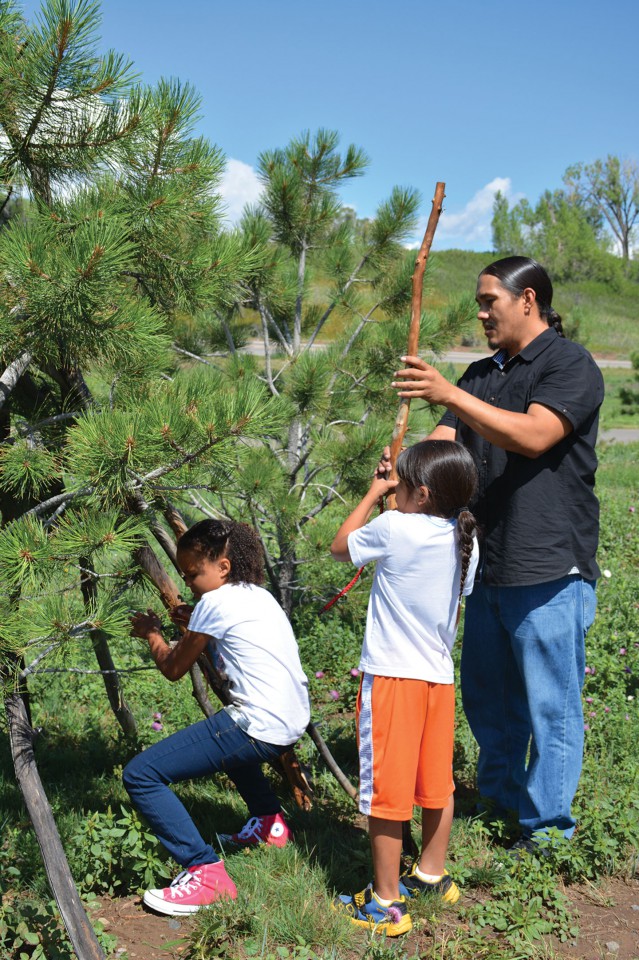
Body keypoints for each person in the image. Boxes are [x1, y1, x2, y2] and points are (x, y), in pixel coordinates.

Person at [392, 256, 603, 856]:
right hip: (485, 562)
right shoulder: (481, 374)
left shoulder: (570, 365)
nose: (481, 312)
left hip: (548, 564)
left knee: (549, 705)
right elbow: (445, 444)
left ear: (529, 300)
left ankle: (546, 833)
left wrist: (450, 392)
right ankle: (499, 800)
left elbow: (534, 435)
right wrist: (401, 470)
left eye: (490, 301)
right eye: (479, 302)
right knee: (490, 697)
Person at [124, 519, 310, 916]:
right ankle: (269, 824)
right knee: (229, 739)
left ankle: (205, 873)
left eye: (193, 574)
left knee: (141, 774)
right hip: (290, 720)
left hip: (260, 725)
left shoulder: (213, 604)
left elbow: (174, 668)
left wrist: (153, 634)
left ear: (222, 568)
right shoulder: (255, 595)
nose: (188, 582)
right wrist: (195, 624)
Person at [330, 439, 479, 936]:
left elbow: (340, 547)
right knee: (437, 785)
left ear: (420, 491)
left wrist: (374, 492)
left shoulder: (394, 527)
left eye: (401, 486)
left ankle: (386, 904)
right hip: (438, 680)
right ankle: (432, 875)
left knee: (386, 795)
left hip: (393, 679)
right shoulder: (466, 537)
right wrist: (399, 490)